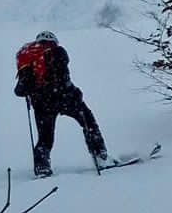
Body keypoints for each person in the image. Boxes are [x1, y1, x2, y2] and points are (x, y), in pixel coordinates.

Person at [14, 31, 108, 176]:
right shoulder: (58, 52)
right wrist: (76, 94)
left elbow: (20, 90)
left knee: (45, 138)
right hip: (66, 98)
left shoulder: (28, 59)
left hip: (42, 104)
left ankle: (42, 166)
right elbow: (64, 77)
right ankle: (100, 156)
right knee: (89, 123)